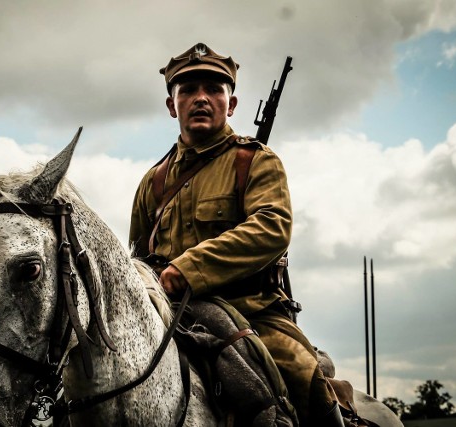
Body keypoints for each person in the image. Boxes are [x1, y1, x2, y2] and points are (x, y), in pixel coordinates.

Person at [129, 43, 343, 426]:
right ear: (170, 105)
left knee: (304, 379)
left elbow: (272, 227)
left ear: (232, 104)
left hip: (252, 310)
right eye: (188, 90)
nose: (201, 98)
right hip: (169, 315)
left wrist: (189, 268)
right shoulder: (154, 181)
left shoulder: (255, 160)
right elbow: (136, 255)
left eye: (213, 89)